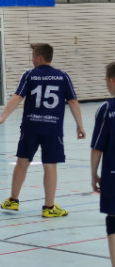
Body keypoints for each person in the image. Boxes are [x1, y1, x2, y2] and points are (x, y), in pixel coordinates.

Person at [0, 43, 85, 217]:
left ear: (40, 58)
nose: (32, 59)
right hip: (53, 128)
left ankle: (13, 200)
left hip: (31, 126)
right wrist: (80, 125)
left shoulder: (29, 75)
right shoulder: (63, 76)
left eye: (33, 56)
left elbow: (18, 96)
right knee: (50, 165)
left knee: (22, 162)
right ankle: (49, 208)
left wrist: (3, 117)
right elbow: (73, 101)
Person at [91, 61, 115, 266]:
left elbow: (97, 148)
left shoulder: (106, 109)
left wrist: (93, 174)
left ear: (112, 81)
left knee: (113, 219)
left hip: (112, 174)